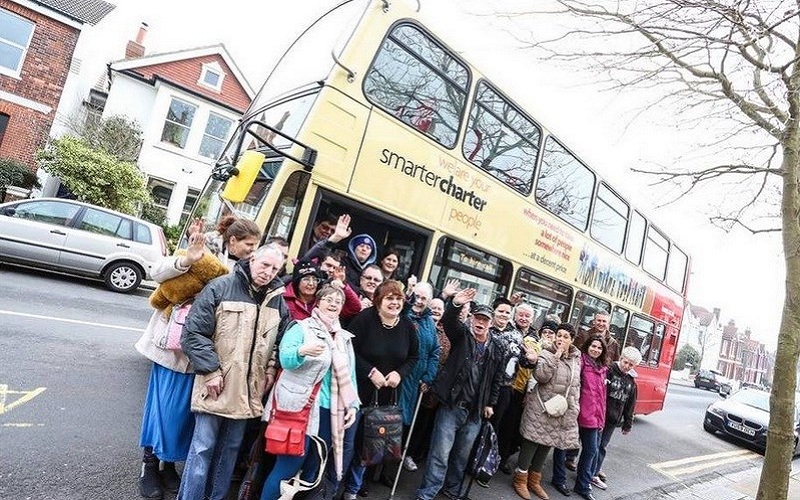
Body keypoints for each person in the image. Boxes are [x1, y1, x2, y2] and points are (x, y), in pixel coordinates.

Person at [135, 217, 260, 499]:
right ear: (233, 242)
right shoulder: (202, 253)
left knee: (182, 417)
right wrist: (186, 260)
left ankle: (168, 467)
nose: (254, 251)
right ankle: (149, 466)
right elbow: (157, 271)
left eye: (256, 246)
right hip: (174, 349)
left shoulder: (246, 271)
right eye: (249, 245)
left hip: (203, 357)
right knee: (163, 411)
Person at [176, 245, 290, 500]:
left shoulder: (278, 300)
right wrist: (211, 371)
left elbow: (280, 339)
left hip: (248, 391)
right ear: (252, 259)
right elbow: (193, 333)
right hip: (215, 384)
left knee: (230, 450)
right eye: (264, 265)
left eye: (274, 268)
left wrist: (271, 370)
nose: (268, 272)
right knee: (202, 449)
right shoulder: (220, 287)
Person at [260, 285, 360, 500]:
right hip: (300, 409)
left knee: (313, 470)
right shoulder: (301, 328)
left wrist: (352, 405)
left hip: (330, 412)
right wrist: (301, 351)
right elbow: (285, 359)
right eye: (328, 299)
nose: (333, 304)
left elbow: (350, 375)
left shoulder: (343, 337)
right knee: (287, 467)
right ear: (318, 302)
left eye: (338, 301)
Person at [414, 288, 504, 500]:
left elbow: (497, 379)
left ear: (490, 323)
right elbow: (449, 321)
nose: (480, 323)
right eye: (477, 318)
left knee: (461, 457)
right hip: (452, 405)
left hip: (475, 411)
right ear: (472, 318)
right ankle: (427, 492)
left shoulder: (496, 348)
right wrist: (455, 304)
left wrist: (490, 403)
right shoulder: (462, 335)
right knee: (440, 454)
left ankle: (452, 490)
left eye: (485, 320)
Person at [344, 280, 420, 500]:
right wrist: (369, 371)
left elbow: (414, 356)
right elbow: (348, 350)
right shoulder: (364, 319)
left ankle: (352, 490)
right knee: (349, 443)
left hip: (385, 397)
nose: (394, 302)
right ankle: (332, 485)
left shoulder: (407, 326)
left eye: (398, 298)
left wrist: (400, 373)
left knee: (370, 445)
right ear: (379, 300)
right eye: (389, 298)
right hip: (357, 394)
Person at [513, 323, 581, 500]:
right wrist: (556, 357)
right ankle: (520, 478)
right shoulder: (546, 352)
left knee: (546, 443)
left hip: (559, 410)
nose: (561, 339)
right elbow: (541, 376)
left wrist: (574, 409)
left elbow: (575, 387)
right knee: (532, 441)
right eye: (559, 335)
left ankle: (534, 480)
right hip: (541, 406)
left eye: (566, 337)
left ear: (572, 340)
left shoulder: (576, 359)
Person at [498, 319, 557, 474]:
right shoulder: (532, 343)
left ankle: (509, 457)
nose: (548, 335)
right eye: (545, 332)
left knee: (518, 432)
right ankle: (500, 458)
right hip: (518, 389)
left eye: (551, 333)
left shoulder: (555, 353)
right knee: (508, 426)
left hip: (534, 396)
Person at [567, 311, 618, 472]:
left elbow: (614, 363)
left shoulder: (613, 343)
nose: (601, 323)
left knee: (592, 434)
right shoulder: (584, 335)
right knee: (576, 428)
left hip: (600, 384)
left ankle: (590, 469)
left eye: (604, 321)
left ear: (608, 323)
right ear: (593, 321)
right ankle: (570, 456)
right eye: (598, 320)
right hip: (583, 383)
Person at [398, 282, 440, 473]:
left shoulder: (430, 323)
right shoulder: (403, 314)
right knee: (388, 422)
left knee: (406, 426)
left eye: (424, 298)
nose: (419, 301)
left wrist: (428, 377)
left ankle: (390, 470)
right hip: (398, 377)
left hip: (416, 382)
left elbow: (434, 352)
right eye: (416, 296)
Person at [593, 346, 641, 485]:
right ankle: (584, 470)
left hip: (612, 420)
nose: (627, 366)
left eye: (631, 365)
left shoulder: (631, 382)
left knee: (602, 447)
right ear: (621, 359)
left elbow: (630, 405)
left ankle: (594, 473)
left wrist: (628, 424)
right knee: (592, 446)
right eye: (625, 362)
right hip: (599, 415)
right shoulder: (609, 371)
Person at [489, 297, 524, 486]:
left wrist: (531, 360)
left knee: (494, 425)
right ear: (494, 311)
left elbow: (522, 360)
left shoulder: (517, 335)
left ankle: (483, 461)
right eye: (501, 311)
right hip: (483, 385)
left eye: (507, 312)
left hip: (504, 387)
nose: (504, 315)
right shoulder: (486, 329)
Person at [572, 337, 609, 500]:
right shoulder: (580, 362)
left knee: (591, 450)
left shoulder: (602, 368)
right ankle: (558, 479)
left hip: (593, 417)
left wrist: (601, 419)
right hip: (578, 413)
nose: (595, 349)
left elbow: (602, 397)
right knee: (564, 448)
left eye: (599, 348)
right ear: (587, 346)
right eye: (593, 346)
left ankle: (583, 485)